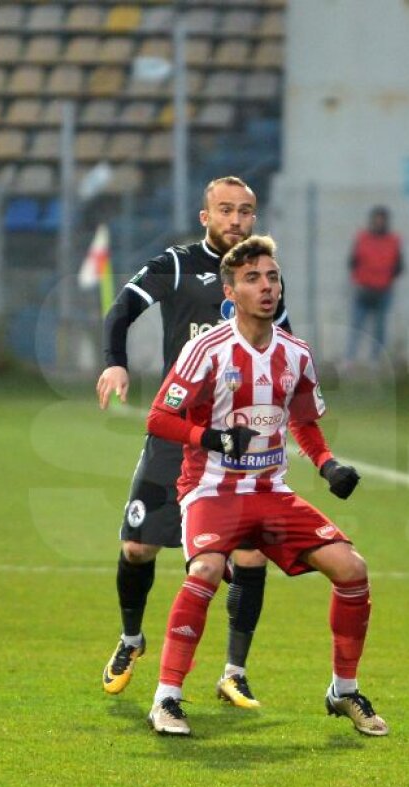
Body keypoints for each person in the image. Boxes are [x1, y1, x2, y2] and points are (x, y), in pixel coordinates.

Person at [143, 234, 385, 738]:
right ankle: (167, 699)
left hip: (271, 493)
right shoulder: (206, 349)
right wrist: (207, 436)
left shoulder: (296, 354)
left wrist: (326, 464)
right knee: (207, 569)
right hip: (211, 491)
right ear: (230, 292)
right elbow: (159, 418)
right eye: (253, 278)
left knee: (352, 569)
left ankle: (343, 690)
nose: (267, 286)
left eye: (273, 277)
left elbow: (304, 422)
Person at [96, 176, 290, 707]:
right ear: (205, 217)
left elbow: (285, 348)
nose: (236, 220)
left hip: (240, 446)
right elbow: (121, 310)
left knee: (248, 557)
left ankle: (234, 670)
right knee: (137, 547)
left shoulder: (263, 277)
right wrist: (116, 363)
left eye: (245, 212)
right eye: (225, 210)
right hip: (179, 433)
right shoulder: (176, 264)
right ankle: (132, 639)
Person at [346, 205, 403, 364]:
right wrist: (358, 281)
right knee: (356, 326)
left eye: (382, 220)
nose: (379, 223)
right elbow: (352, 262)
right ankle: (349, 359)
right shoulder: (362, 238)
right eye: (376, 220)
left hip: (383, 291)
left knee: (379, 329)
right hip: (363, 289)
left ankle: (375, 360)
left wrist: (387, 280)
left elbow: (399, 266)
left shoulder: (393, 241)